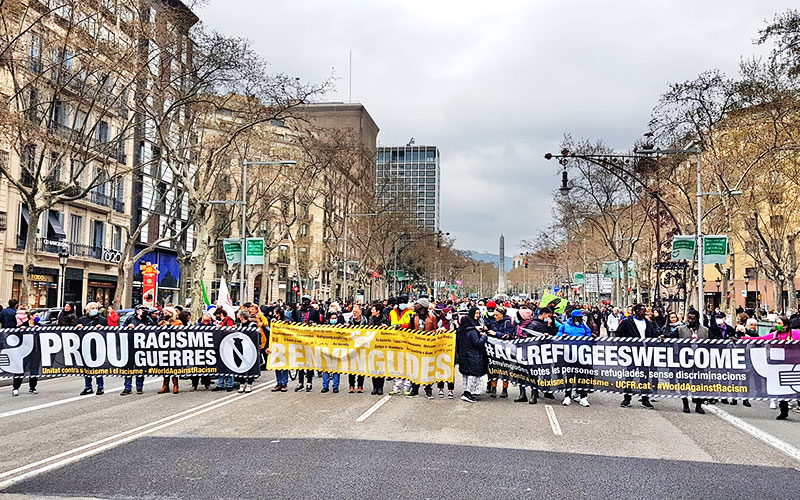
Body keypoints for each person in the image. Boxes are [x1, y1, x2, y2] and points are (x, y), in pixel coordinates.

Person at [742, 315, 800, 420]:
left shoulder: (795, 334)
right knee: (782, 390)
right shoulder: (774, 335)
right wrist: (743, 339)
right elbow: (760, 339)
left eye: (779, 323)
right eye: (776, 323)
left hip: (794, 364)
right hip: (779, 364)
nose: (777, 325)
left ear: (786, 325)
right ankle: (784, 412)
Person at [616, 303, 658, 409]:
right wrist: (625, 348)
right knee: (629, 376)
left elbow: (653, 334)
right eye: (642, 310)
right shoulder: (627, 322)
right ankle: (627, 399)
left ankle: (645, 399)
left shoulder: (647, 323)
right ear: (637, 311)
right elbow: (619, 334)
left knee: (644, 376)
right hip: (632, 353)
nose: (645, 312)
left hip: (644, 353)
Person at [672, 309, 708, 414]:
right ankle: (685, 404)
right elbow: (670, 336)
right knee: (684, 382)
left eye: (693, 319)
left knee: (699, 383)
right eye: (689, 318)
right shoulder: (681, 329)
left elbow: (716, 339)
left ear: (697, 318)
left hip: (699, 361)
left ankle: (698, 405)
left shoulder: (705, 330)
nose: (691, 321)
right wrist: (663, 336)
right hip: (685, 360)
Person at [557, 310, 592, 407]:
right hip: (569, 355)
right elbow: (558, 335)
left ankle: (583, 397)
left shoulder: (584, 327)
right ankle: (567, 396)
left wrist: (590, 338)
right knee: (569, 376)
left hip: (581, 355)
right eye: (578, 318)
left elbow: (589, 338)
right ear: (573, 318)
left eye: (581, 317)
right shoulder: (564, 326)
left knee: (582, 376)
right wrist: (562, 336)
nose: (580, 319)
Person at [408, 297, 438, 399]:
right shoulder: (413, 316)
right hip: (416, 345)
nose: (415, 305)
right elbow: (410, 329)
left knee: (427, 368)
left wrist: (428, 334)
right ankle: (414, 389)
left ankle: (428, 389)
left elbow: (435, 329)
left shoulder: (432, 317)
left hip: (427, 346)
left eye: (417, 304)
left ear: (423, 306)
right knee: (415, 367)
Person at [457, 307, 488, 403]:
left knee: (466, 374)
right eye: (476, 313)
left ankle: (466, 391)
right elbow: (478, 343)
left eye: (479, 313)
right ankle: (468, 393)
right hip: (472, 356)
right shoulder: (473, 331)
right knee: (472, 375)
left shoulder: (462, 330)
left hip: (464, 354)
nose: (478, 315)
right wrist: (484, 337)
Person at [121, 306, 152, 395]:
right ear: (138, 311)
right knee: (128, 367)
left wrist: (146, 327)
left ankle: (139, 387)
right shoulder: (130, 318)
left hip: (142, 346)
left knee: (140, 367)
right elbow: (121, 329)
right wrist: (128, 327)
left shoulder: (148, 320)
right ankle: (127, 387)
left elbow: (154, 330)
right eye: (143, 310)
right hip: (130, 345)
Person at [293, 295, 321, 392]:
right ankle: (300, 382)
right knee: (301, 362)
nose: (304, 302)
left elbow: (319, 324)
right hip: (300, 339)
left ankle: (309, 382)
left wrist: (314, 324)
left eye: (306, 300)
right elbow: (294, 322)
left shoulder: (314, 312)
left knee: (309, 362)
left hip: (310, 340)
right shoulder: (298, 312)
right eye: (303, 300)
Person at [77, 302, 107, 395]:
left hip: (98, 347)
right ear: (88, 310)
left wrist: (102, 328)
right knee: (87, 368)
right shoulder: (82, 320)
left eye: (96, 308)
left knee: (98, 367)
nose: (94, 310)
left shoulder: (102, 320)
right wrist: (78, 328)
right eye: (92, 308)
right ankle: (88, 387)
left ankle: (100, 387)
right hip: (86, 347)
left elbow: (109, 333)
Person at [487, 306, 514, 399]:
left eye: (497, 315)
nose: (495, 317)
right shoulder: (494, 322)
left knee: (504, 369)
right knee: (493, 369)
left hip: (504, 351)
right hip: (494, 350)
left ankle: (504, 389)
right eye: (494, 315)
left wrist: (496, 334)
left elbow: (509, 335)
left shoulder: (507, 322)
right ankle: (493, 388)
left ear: (502, 315)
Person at [11, 311, 40, 396]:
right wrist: (20, 330)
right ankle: (16, 387)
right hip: (24, 352)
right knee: (20, 369)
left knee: (34, 369)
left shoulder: (39, 326)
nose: (38, 317)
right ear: (31, 316)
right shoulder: (23, 325)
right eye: (36, 315)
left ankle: (32, 387)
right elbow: (15, 335)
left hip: (35, 351)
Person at [157, 307, 182, 394]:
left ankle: (175, 385)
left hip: (174, 347)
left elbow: (180, 332)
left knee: (174, 367)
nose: (164, 315)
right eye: (163, 313)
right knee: (165, 367)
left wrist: (169, 326)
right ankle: (165, 385)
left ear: (171, 313)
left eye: (166, 313)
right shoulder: (161, 323)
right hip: (164, 347)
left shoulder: (177, 322)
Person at [347, 305, 368, 393]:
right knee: (351, 367)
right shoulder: (349, 321)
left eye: (356, 312)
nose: (354, 314)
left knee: (360, 367)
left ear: (360, 312)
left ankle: (360, 385)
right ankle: (351, 385)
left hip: (361, 347)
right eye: (353, 312)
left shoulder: (365, 321)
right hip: (351, 347)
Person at [368, 303, 387, 395]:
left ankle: (380, 387)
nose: (372, 311)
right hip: (372, 345)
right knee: (373, 367)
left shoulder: (385, 319)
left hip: (382, 345)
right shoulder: (370, 319)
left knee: (381, 367)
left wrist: (386, 328)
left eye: (373, 309)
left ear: (378, 311)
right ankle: (374, 387)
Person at [236, 310, 256, 393]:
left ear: (241, 316)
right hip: (240, 348)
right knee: (241, 366)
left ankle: (249, 384)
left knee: (250, 365)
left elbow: (255, 336)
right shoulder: (239, 325)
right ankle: (241, 384)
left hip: (249, 348)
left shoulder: (252, 325)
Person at [321, 312, 341, 393]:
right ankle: (325, 386)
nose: (334, 320)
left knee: (336, 369)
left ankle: (335, 386)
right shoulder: (325, 328)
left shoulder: (340, 328)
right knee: (326, 369)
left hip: (336, 350)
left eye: (335, 318)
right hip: (327, 350)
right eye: (332, 318)